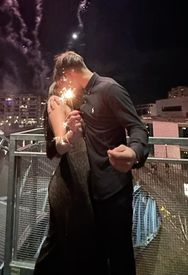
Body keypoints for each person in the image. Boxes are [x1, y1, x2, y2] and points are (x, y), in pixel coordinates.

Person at [51, 51, 149, 275]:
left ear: (71, 73)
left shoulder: (109, 88)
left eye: (64, 79)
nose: (65, 85)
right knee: (97, 258)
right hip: (92, 193)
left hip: (114, 192)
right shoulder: (85, 95)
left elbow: (138, 127)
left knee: (120, 258)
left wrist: (134, 153)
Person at [33, 83, 98, 275]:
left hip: (77, 182)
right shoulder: (56, 102)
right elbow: (58, 146)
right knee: (66, 244)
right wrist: (71, 135)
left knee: (62, 243)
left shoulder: (74, 108)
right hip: (70, 186)